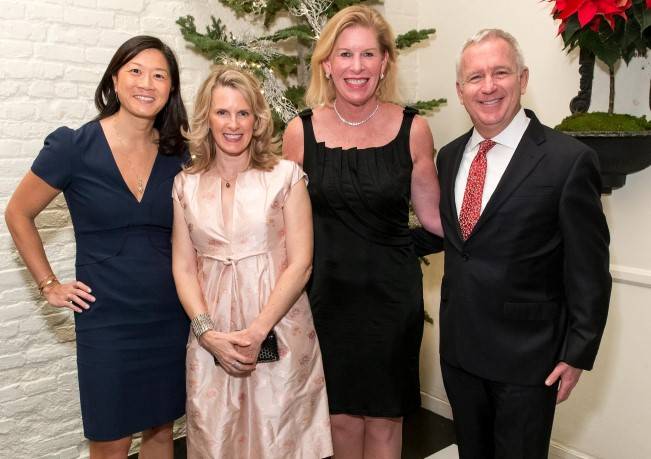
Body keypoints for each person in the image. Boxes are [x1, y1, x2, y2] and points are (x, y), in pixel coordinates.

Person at [415, 29, 611, 458]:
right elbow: (458, 237)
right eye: (475, 77)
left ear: (522, 79)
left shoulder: (568, 160)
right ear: (460, 91)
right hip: (460, 353)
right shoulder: (449, 157)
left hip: (529, 360)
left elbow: (589, 267)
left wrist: (577, 352)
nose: (488, 86)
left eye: (500, 72)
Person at [4, 36, 190, 457]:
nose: (147, 83)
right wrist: (48, 284)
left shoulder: (178, 154)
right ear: (114, 80)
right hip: (106, 318)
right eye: (135, 71)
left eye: (159, 75)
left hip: (167, 314)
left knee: (161, 430)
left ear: (171, 89)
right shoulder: (74, 147)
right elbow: (18, 213)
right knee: (111, 440)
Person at [282, 5, 444, 458]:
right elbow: (284, 227)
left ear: (385, 62)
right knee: (340, 420)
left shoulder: (414, 129)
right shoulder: (300, 132)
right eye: (346, 54)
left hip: (392, 303)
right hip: (327, 301)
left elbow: (435, 222)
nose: (357, 67)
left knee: (387, 420)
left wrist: (398, 248)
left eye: (368, 54)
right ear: (327, 64)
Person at [171, 65, 333, 459]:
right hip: (213, 338)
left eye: (243, 113)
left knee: (281, 438)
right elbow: (183, 267)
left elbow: (301, 264)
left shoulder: (285, 176)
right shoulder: (185, 184)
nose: (233, 124)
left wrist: (257, 332)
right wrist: (207, 334)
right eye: (222, 112)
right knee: (216, 439)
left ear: (257, 120)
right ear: (207, 118)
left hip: (279, 330)